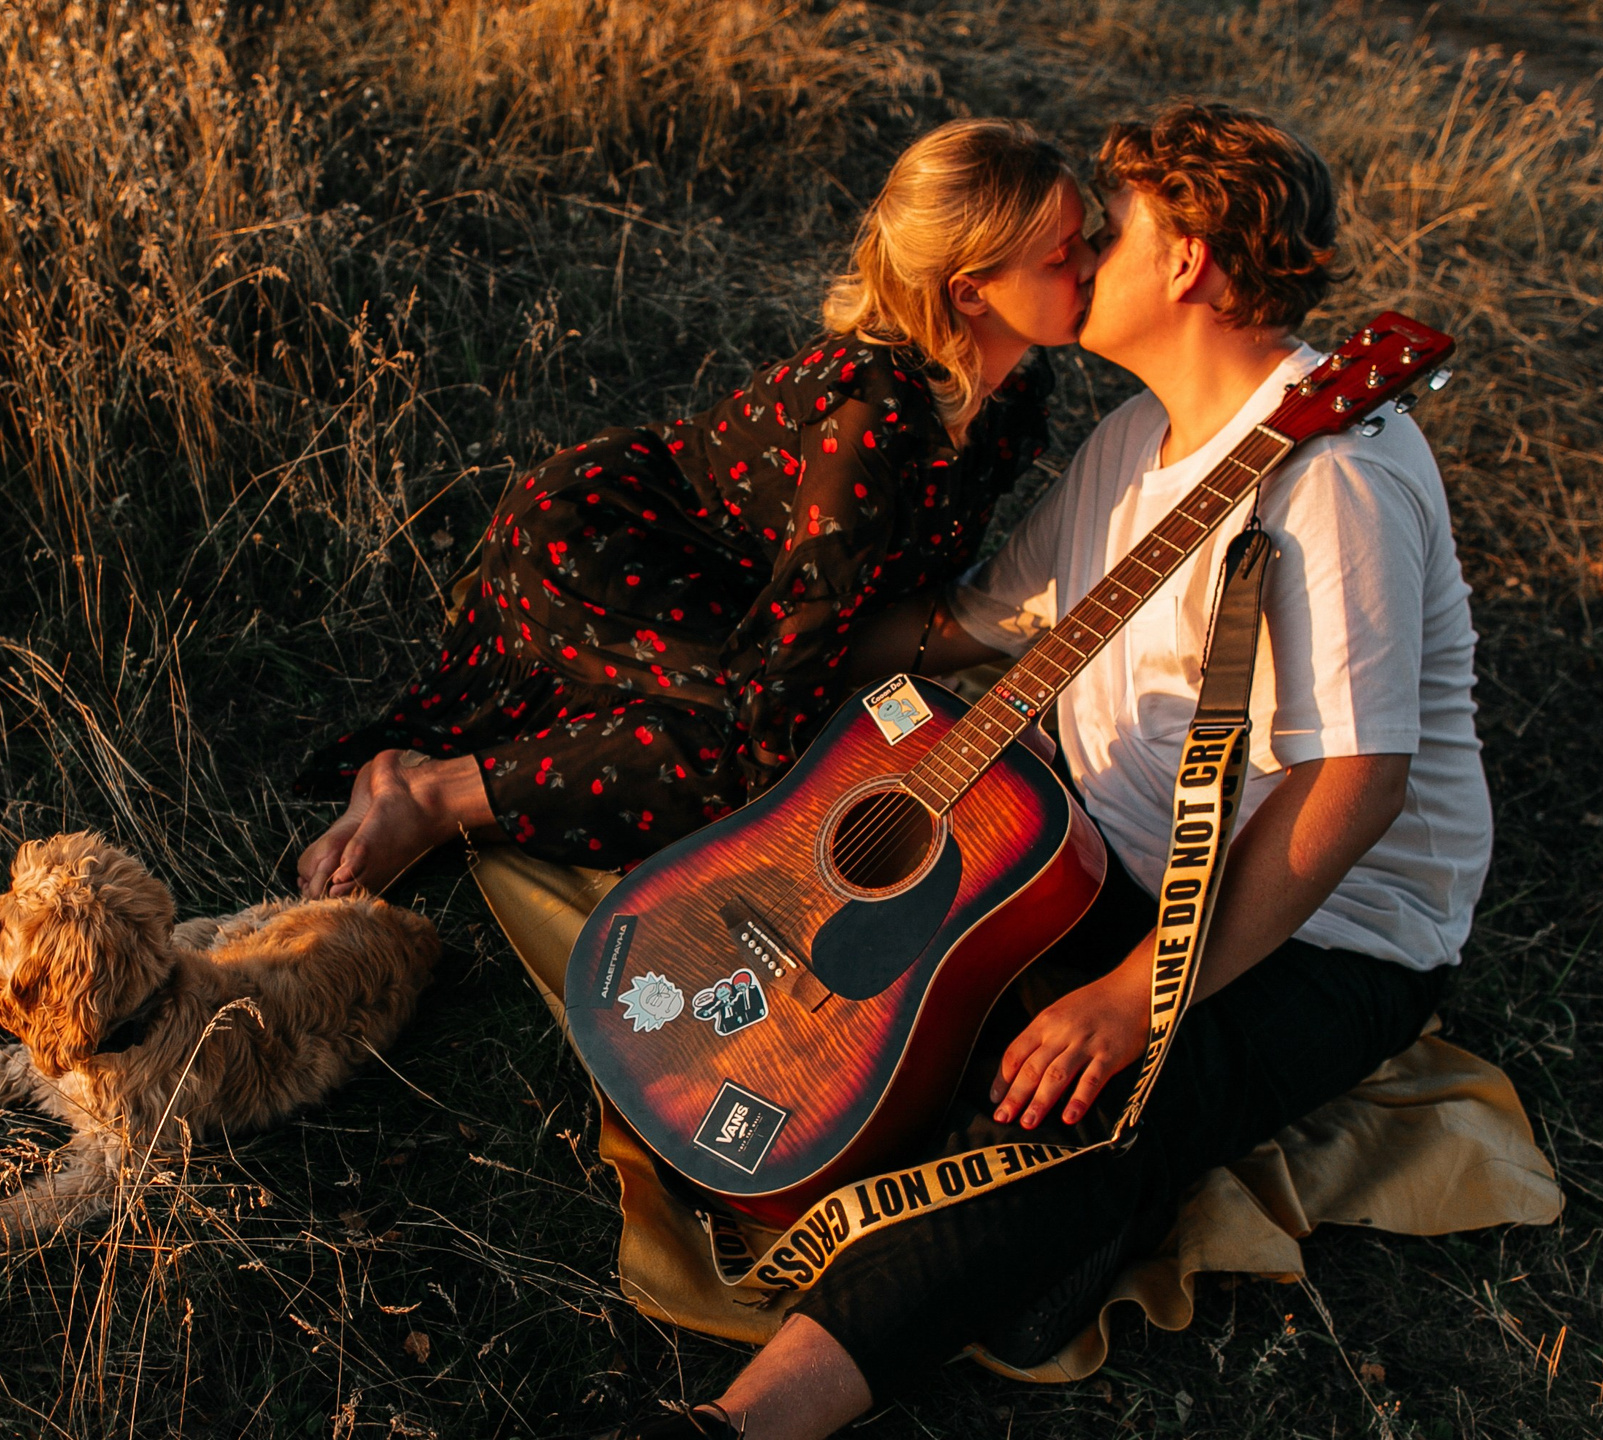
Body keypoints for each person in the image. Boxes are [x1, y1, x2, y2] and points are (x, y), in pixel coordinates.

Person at [615, 102, 1492, 1439]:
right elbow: (974, 627)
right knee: (867, 1009)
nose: (1080, 254)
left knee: (1085, 1112)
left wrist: (1137, 999)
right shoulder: (1129, 444)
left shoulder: (1335, 481)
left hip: (1325, 928)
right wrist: (751, 621)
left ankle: (742, 1420)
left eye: (1114, 228)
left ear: (1189, 258)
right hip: (1097, 856)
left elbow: (1354, 789)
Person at [294, 119, 1092, 898]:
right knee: (758, 759)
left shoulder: (1016, 389)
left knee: (774, 731)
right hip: (605, 544)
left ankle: (440, 789)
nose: (1094, 264)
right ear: (971, 291)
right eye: (1065, 255)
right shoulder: (874, 411)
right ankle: (433, 797)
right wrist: (791, 783)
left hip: (714, 578)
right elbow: (805, 625)